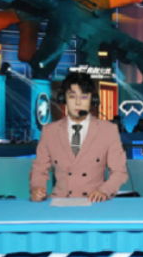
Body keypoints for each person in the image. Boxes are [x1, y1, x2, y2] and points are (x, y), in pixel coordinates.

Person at [30, 72, 128, 202]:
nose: (77, 103)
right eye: (72, 96)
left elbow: (119, 171)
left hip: (94, 202)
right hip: (60, 203)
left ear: (92, 99)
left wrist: (105, 190)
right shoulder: (49, 131)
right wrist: (37, 187)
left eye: (84, 97)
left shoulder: (108, 130)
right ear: (64, 99)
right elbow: (39, 169)